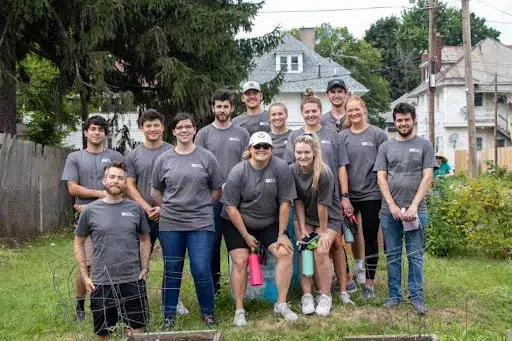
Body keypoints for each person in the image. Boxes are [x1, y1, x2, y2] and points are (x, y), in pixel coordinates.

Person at [151, 113, 224, 328]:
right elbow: (156, 190)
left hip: (200, 223)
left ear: (194, 130)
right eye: (179, 127)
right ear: (173, 131)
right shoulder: (164, 159)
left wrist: (202, 207)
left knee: (201, 268)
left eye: (188, 127)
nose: (184, 130)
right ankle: (168, 316)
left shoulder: (207, 157)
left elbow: (217, 189)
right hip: (170, 224)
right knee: (172, 269)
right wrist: (168, 208)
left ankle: (208, 313)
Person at [283, 89, 355, 305]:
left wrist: (344, 196)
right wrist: (302, 227)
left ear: (320, 111)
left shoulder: (333, 134)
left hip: (328, 200)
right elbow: (290, 168)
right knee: (307, 247)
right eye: (307, 111)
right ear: (302, 113)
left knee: (334, 246)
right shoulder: (295, 137)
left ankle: (340, 290)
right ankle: (311, 293)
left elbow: (342, 165)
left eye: (314, 110)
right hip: (306, 202)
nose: (311, 114)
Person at [222, 131, 298, 326]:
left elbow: (285, 203)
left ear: (271, 149)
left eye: (266, 146)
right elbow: (230, 207)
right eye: (257, 146)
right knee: (240, 260)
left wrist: (282, 234)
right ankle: (239, 309)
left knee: (285, 253)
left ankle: (280, 304)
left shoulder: (281, 168)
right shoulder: (238, 171)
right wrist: (246, 236)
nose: (261, 150)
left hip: (268, 222)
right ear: (250, 149)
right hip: (238, 224)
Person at [74, 161, 151, 340]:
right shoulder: (90, 211)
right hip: (102, 282)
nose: (115, 181)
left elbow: (145, 239)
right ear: (104, 180)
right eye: (112, 177)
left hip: (132, 279)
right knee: (103, 334)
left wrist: (145, 267)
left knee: (136, 332)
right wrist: (85, 276)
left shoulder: (135, 208)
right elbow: (78, 243)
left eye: (120, 178)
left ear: (125, 183)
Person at [373, 103, 437, 315]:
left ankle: (416, 296)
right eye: (399, 120)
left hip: (417, 211)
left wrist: (414, 206)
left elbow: (428, 176)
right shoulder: (386, 147)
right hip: (389, 212)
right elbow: (381, 177)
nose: (402, 123)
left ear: (413, 120)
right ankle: (394, 296)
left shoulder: (424, 145)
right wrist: (391, 205)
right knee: (392, 255)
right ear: (395, 121)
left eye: (406, 120)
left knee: (415, 255)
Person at [124, 109, 189, 315]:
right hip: (141, 216)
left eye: (156, 125)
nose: (152, 129)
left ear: (163, 127)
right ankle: (136, 302)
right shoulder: (133, 155)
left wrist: (163, 207)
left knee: (173, 259)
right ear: (142, 128)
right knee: (138, 260)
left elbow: (182, 183)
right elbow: (129, 184)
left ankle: (173, 300)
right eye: (148, 125)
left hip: (170, 214)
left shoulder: (175, 150)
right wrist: (146, 207)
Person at [61, 115, 123, 321]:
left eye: (101, 130)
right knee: (86, 264)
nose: (96, 133)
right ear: (86, 132)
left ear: (106, 134)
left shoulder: (115, 156)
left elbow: (120, 184)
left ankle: (113, 303)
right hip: (87, 217)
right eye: (93, 129)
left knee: (113, 261)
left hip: (114, 216)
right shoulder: (75, 158)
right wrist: (101, 195)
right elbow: (73, 188)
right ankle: (80, 305)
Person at [195, 89, 250, 295]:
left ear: (232, 108)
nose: (222, 110)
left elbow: (248, 163)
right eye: (218, 106)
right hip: (213, 199)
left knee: (238, 244)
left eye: (226, 106)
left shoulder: (242, 133)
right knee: (212, 244)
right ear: (213, 108)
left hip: (238, 200)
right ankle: (214, 287)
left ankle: (242, 287)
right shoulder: (204, 134)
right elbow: (198, 164)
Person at [339, 97, 389, 299]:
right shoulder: (342, 136)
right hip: (348, 196)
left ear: (364, 109)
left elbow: (384, 167)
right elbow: (341, 167)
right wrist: (344, 197)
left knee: (370, 238)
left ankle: (369, 282)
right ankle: (347, 280)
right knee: (344, 238)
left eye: (356, 109)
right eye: (349, 111)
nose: (353, 113)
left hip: (371, 195)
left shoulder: (377, 134)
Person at [291, 133, 342, 316]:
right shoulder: (292, 170)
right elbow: (297, 202)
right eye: (299, 152)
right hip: (306, 215)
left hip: (328, 216)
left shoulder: (324, 172)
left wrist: (321, 231)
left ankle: (326, 295)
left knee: (320, 250)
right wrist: (303, 229)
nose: (302, 156)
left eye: (306, 152)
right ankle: (307, 295)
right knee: (304, 247)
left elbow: (323, 206)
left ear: (314, 153)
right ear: (294, 153)